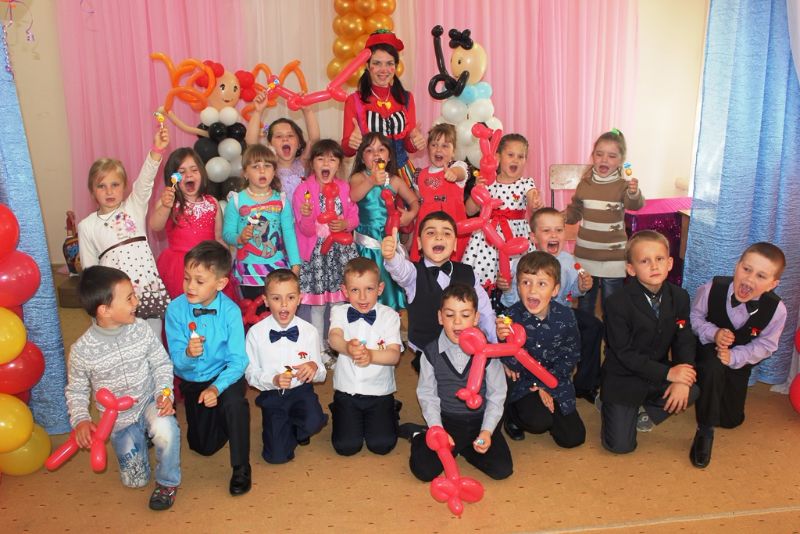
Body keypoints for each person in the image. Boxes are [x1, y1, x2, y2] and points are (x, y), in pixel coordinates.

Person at [65, 266, 180, 510]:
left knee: (166, 429)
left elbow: (161, 364)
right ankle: (140, 439)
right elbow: (76, 390)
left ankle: (167, 482)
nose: (136, 302)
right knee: (135, 481)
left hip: (149, 401)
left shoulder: (141, 329)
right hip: (118, 419)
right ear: (104, 310)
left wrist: (164, 393)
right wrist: (81, 420)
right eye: (129, 298)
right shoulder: (81, 351)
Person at [164, 241, 251, 495]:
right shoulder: (175, 310)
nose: (190, 286)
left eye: (199, 281)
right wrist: (188, 355)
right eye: (187, 278)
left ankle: (241, 467)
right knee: (203, 446)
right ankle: (223, 419)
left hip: (225, 374)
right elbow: (175, 362)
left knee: (234, 404)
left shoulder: (231, 312)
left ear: (221, 283)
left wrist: (217, 388)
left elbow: (238, 361)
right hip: (193, 380)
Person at [689, 242, 787, 468]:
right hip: (707, 350)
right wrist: (714, 333)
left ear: (773, 284)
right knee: (712, 368)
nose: (749, 279)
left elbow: (766, 345)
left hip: (740, 359)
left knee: (731, 420)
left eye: (761, 276)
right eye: (746, 269)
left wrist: (734, 357)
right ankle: (705, 431)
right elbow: (695, 317)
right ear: (737, 266)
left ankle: (709, 393)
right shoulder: (713, 287)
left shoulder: (777, 310)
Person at [601, 231, 698, 454]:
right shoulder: (617, 303)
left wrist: (682, 377)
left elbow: (684, 339)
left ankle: (646, 410)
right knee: (621, 446)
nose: (654, 266)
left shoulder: (679, 296)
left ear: (670, 263)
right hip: (624, 376)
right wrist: (669, 374)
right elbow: (624, 353)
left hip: (655, 371)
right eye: (645, 261)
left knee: (692, 388)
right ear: (631, 269)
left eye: (659, 259)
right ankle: (608, 402)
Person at [405, 283, 513, 482]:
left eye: (465, 315)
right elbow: (428, 395)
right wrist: (437, 428)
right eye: (449, 315)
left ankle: (464, 447)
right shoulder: (430, 353)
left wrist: (487, 431)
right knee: (423, 470)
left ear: (476, 318)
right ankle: (419, 435)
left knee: (502, 469)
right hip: (447, 420)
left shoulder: (489, 352)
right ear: (440, 317)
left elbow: (497, 395)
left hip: (480, 421)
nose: (457, 322)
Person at [498, 208, 603, 402]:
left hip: (561, 314)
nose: (554, 235)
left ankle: (585, 384)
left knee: (593, 326)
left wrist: (581, 287)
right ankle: (525, 387)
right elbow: (512, 302)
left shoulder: (569, 261)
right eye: (546, 231)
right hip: (528, 315)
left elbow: (572, 291)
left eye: (559, 230)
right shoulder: (523, 262)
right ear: (533, 237)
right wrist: (506, 288)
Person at [77, 127, 171, 336]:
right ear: (92, 191)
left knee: (152, 337)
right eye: (101, 186)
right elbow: (90, 270)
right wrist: (98, 306)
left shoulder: (134, 207)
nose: (109, 191)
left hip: (146, 289)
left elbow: (145, 180)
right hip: (116, 297)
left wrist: (157, 150)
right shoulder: (87, 226)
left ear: (124, 186)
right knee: (121, 340)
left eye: (115, 184)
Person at [382, 210, 496, 373]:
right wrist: (391, 257)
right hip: (427, 354)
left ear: (455, 244)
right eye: (431, 232)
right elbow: (400, 270)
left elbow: (485, 313)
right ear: (419, 243)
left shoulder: (468, 273)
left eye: (446, 233)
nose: (439, 237)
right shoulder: (413, 273)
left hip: (465, 350)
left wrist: (495, 347)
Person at [497, 252, 586, 448]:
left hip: (556, 380)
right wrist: (503, 340)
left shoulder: (566, 316)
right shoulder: (510, 318)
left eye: (542, 284)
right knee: (538, 422)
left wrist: (546, 386)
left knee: (573, 438)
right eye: (525, 282)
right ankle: (511, 413)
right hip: (524, 384)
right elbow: (511, 366)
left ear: (555, 290)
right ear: (517, 286)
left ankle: (549, 413)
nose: (532, 290)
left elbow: (571, 356)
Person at [245, 269, 327, 464]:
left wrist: (314, 367)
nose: (283, 304)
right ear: (266, 301)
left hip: (300, 392)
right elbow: (250, 373)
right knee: (276, 457)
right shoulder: (255, 333)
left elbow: (322, 372)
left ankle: (297, 427)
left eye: (290, 297)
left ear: (299, 299)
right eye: (276, 298)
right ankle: (282, 427)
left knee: (315, 421)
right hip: (272, 395)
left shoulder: (309, 332)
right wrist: (273, 379)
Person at [327, 257, 403, 456]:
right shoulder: (339, 312)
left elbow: (394, 356)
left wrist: (371, 355)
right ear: (345, 291)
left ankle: (390, 409)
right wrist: (346, 347)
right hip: (347, 390)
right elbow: (334, 338)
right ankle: (341, 411)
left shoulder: (389, 316)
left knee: (382, 445)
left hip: (379, 391)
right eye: (355, 290)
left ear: (380, 289)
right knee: (346, 447)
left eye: (369, 289)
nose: (362, 297)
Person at [565, 129, 645, 318]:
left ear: (621, 160)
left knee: (612, 307)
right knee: (585, 306)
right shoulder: (584, 184)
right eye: (599, 154)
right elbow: (574, 212)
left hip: (613, 257)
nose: (604, 160)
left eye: (611, 156)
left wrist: (634, 193)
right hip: (586, 255)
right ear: (593, 156)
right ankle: (586, 336)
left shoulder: (623, 186)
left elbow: (635, 205)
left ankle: (612, 337)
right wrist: (561, 216)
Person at [292, 139, 359, 349]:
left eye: (332, 159)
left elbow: (354, 217)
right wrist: (306, 216)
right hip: (317, 256)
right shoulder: (303, 190)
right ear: (312, 163)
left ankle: (335, 345)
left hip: (340, 254)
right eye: (321, 158)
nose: (326, 163)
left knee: (338, 303)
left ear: (339, 164)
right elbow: (305, 230)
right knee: (318, 306)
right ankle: (318, 349)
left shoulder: (344, 188)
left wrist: (345, 224)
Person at [341, 30, 425, 188]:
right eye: (377, 63)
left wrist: (415, 142)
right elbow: (346, 150)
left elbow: (408, 146)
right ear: (367, 66)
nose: (383, 69)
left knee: (412, 203)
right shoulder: (354, 100)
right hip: (369, 176)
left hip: (402, 174)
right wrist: (352, 143)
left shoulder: (406, 98)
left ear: (396, 66)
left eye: (389, 63)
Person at [461, 133, 542, 291]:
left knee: (517, 278)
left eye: (521, 156)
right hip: (487, 238)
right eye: (510, 155)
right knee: (482, 277)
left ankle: (512, 300)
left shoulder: (526, 183)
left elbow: (533, 200)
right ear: (497, 157)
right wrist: (477, 190)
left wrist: (536, 202)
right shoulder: (488, 182)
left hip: (515, 238)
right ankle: (485, 299)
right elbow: (469, 211)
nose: (515, 160)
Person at [222, 144, 301, 304]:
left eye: (267, 166)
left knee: (278, 310)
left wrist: (295, 263)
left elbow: (289, 233)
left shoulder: (281, 200)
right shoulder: (236, 200)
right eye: (255, 166)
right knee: (252, 312)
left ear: (274, 171)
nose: (262, 170)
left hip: (277, 269)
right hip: (248, 271)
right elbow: (227, 233)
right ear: (245, 173)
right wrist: (239, 238)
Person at [349, 133, 419, 309]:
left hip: (388, 238)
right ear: (362, 158)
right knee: (366, 279)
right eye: (369, 150)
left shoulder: (395, 181)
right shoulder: (358, 178)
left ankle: (390, 312)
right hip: (366, 241)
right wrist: (372, 180)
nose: (376, 154)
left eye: (381, 149)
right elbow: (353, 196)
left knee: (388, 278)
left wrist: (410, 215)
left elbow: (414, 201)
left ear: (388, 157)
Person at [149, 147, 231, 299]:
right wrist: (166, 206)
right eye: (181, 172)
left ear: (202, 173)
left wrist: (227, 261)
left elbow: (218, 237)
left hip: (209, 265)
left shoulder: (212, 202)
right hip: (180, 269)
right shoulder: (169, 202)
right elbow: (155, 225)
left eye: (194, 170)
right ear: (173, 178)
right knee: (182, 306)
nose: (189, 175)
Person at [408, 123, 469, 262]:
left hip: (452, 226)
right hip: (427, 228)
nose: (438, 149)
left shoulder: (457, 167)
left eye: (445, 146)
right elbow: (416, 200)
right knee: (424, 264)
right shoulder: (420, 174)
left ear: (453, 152)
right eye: (434, 145)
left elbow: (460, 173)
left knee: (454, 264)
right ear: (428, 148)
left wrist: (453, 174)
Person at [245, 90, 320, 200]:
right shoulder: (267, 167)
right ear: (270, 144)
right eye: (279, 136)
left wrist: (307, 111)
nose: (285, 139)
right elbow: (251, 144)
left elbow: (314, 140)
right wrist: (258, 111)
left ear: (299, 143)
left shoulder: (304, 163)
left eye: (290, 135)